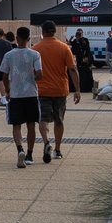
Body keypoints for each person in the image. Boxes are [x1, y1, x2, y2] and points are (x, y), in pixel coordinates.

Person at [34, 20, 81, 161]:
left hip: (42, 90)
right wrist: (77, 90)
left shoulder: (36, 49)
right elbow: (72, 69)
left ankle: (46, 142)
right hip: (60, 89)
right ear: (54, 31)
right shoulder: (64, 47)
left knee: (43, 119)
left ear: (42, 32)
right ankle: (58, 149)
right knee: (59, 120)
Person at [1, 26, 43, 167]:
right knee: (31, 125)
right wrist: (31, 76)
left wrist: (7, 90)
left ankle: (20, 149)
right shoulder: (35, 54)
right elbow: (40, 75)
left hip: (15, 94)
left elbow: (4, 76)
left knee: (16, 125)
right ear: (29, 38)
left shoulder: (9, 55)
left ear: (16, 38)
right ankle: (30, 154)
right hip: (31, 93)